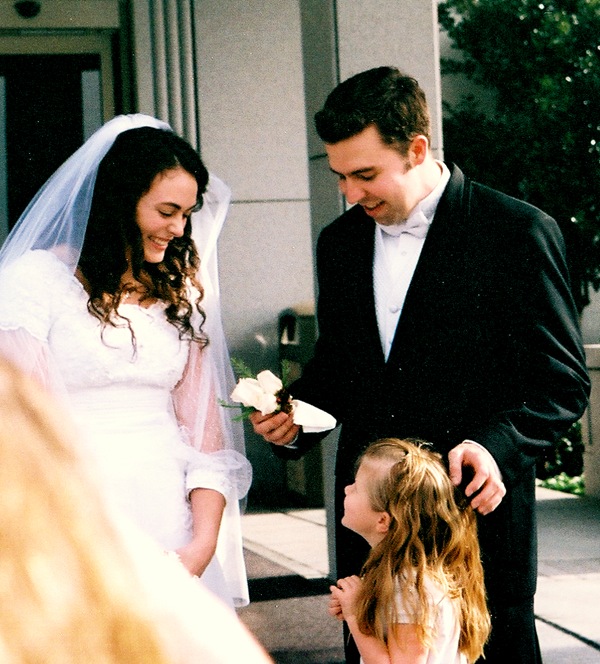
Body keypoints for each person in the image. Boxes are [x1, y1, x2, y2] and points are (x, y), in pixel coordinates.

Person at [250, 66, 590, 663]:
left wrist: (495, 446)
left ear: (417, 149)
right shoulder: (341, 243)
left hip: (474, 527)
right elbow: (341, 371)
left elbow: (561, 380)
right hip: (375, 534)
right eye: (340, 177)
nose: (351, 194)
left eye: (365, 174)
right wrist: (292, 420)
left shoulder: (517, 231)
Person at [0, 114, 252, 608]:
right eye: (167, 211)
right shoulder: (35, 281)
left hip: (169, 517)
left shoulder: (182, 293)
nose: (179, 229)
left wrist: (201, 545)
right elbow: (21, 425)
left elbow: (206, 436)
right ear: (119, 202)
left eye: (187, 213)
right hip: (67, 516)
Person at [0, 354, 272, 664]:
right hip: (75, 499)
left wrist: (203, 543)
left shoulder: (188, 309)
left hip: (168, 512)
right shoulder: (33, 306)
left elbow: (206, 443)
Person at [329, 438, 490, 664]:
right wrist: (360, 607)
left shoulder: (409, 588)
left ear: (383, 520)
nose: (347, 488)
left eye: (356, 487)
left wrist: (356, 617)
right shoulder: (408, 578)